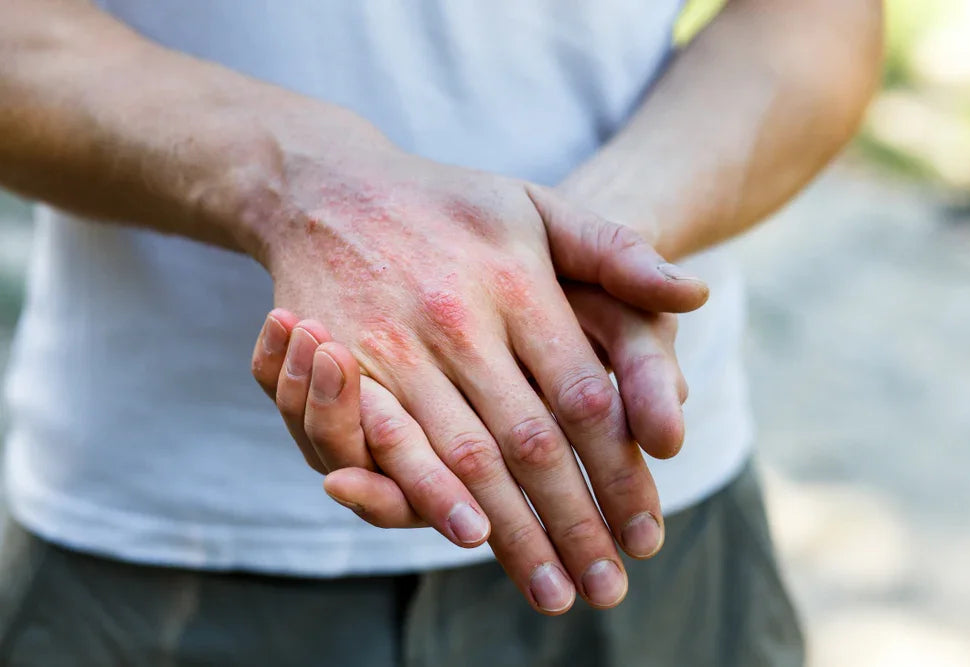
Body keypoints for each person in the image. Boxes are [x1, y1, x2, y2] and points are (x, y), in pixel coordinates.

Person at [0, 0, 882, 665]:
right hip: (150, 538)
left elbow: (814, 18)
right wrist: (292, 181)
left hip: (641, 506)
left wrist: (595, 241)